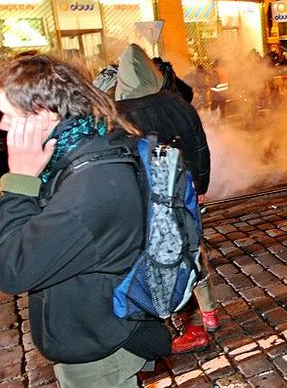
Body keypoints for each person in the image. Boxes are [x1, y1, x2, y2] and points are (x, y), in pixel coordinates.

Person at [0, 54, 170, 387]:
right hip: (95, 327)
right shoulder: (86, 143)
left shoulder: (93, 185)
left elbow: (12, 269)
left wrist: (19, 182)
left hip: (99, 348)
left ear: (43, 114)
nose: (1, 125)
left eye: (7, 114)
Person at [113, 44, 215, 355]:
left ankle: (190, 323)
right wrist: (200, 183)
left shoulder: (120, 111)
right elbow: (200, 146)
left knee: (161, 255)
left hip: (148, 198)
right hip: (181, 191)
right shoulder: (177, 102)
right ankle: (208, 313)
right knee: (192, 248)